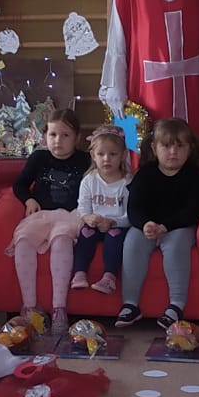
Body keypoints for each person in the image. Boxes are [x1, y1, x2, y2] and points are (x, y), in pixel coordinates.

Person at [116, 117, 199, 329]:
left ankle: (176, 305)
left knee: (176, 246)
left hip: (179, 226)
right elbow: (134, 208)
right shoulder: (145, 174)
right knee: (132, 242)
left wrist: (166, 226)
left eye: (180, 146)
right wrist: (145, 224)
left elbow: (195, 210)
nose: (173, 152)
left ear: (190, 148)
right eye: (166, 146)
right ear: (154, 148)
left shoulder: (196, 176)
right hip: (149, 226)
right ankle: (130, 304)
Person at [7, 108, 90, 327]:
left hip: (71, 215)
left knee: (61, 240)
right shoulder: (39, 158)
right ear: (45, 136)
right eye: (53, 134)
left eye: (65, 135)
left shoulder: (85, 160)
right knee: (23, 240)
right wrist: (28, 200)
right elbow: (19, 184)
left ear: (77, 138)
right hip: (42, 215)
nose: (58, 141)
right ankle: (30, 307)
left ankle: (58, 308)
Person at [71, 125, 132, 297]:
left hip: (117, 225)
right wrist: (87, 217)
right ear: (93, 155)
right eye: (101, 154)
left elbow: (130, 215)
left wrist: (113, 222)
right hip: (95, 223)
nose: (106, 159)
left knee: (114, 236)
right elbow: (82, 206)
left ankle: (109, 277)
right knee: (85, 233)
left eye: (113, 154)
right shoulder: (89, 180)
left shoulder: (128, 183)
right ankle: (79, 273)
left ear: (123, 155)